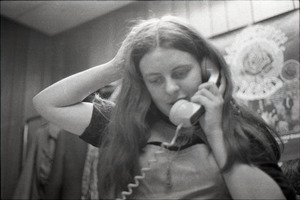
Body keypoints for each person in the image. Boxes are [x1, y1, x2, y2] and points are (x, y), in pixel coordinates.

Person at [33, 16, 296, 199]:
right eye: (155, 79)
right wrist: (114, 67)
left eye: (181, 73)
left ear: (207, 70)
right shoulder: (125, 126)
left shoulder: (237, 127)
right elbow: (47, 103)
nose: (170, 88)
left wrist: (216, 133)